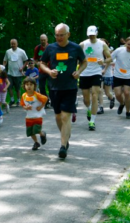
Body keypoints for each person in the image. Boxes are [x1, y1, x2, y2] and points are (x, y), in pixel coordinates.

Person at [40, 23, 87, 159]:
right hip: (54, 87)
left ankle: (62, 146)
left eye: (61, 35)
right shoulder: (50, 48)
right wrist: (49, 71)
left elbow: (84, 62)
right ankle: (65, 136)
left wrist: (78, 72)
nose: (59, 38)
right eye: (57, 35)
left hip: (70, 87)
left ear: (68, 34)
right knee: (58, 117)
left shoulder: (75, 48)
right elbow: (41, 63)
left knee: (66, 116)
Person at [79, 25, 111, 131]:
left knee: (94, 95)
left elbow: (109, 58)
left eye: (93, 35)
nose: (91, 37)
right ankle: (89, 109)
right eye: (90, 35)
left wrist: (104, 61)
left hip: (96, 72)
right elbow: (76, 58)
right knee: (86, 99)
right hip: (84, 73)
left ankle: (92, 121)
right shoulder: (83, 44)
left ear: (96, 34)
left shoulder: (102, 44)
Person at [111, 37, 130, 119]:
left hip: (128, 76)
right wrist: (103, 62)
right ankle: (122, 103)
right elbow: (110, 58)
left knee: (127, 93)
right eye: (129, 44)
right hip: (117, 75)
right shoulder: (119, 50)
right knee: (117, 94)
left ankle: (128, 112)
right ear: (125, 44)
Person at [20, 77, 48, 151]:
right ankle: (36, 142)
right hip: (29, 117)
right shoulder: (24, 95)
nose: (29, 86)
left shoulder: (37, 95)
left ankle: (42, 134)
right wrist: (26, 107)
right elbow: (22, 104)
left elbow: (45, 99)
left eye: (31, 84)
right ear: (24, 86)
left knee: (36, 130)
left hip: (37, 116)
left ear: (34, 86)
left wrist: (41, 106)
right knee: (30, 132)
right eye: (27, 84)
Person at [3, 39, 28, 107]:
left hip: (18, 74)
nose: (13, 45)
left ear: (17, 44)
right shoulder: (8, 52)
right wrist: (3, 67)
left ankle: (18, 100)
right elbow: (5, 61)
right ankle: (12, 100)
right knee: (9, 87)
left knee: (18, 88)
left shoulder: (21, 51)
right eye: (11, 44)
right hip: (10, 73)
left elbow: (26, 61)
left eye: (14, 44)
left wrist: (22, 68)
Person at [34, 34, 51, 108]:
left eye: (44, 40)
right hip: (41, 71)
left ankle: (53, 101)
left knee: (51, 86)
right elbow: (35, 59)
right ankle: (46, 101)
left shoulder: (51, 47)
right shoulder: (37, 48)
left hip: (50, 70)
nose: (43, 41)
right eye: (41, 40)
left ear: (47, 40)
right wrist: (37, 63)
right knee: (42, 87)